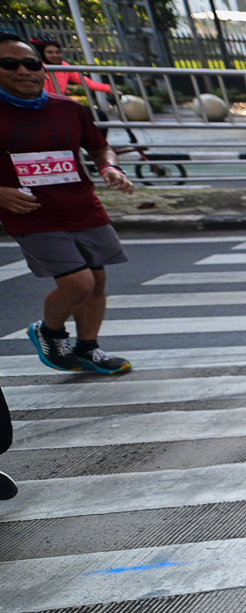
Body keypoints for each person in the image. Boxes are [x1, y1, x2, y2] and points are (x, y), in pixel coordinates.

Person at [0, 33, 137, 375]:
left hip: (82, 207)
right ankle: (49, 331)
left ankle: (88, 349)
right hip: (32, 214)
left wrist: (111, 168)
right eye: (10, 64)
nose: (24, 71)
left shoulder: (68, 108)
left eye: (32, 64)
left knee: (98, 280)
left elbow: (100, 148)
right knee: (78, 283)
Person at [31, 39, 114, 102]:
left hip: (58, 102)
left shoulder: (64, 66)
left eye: (58, 52)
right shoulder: (38, 67)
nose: (55, 55)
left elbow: (85, 81)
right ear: (42, 54)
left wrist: (109, 89)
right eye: (49, 52)